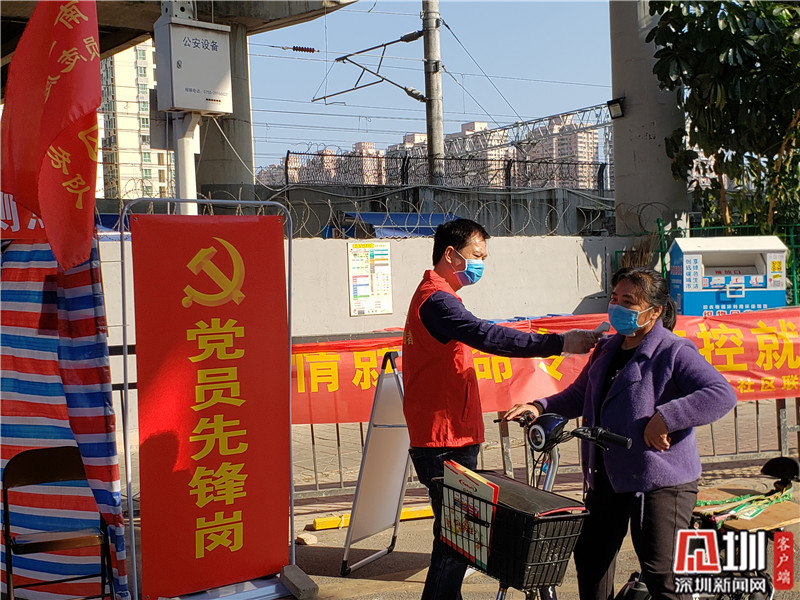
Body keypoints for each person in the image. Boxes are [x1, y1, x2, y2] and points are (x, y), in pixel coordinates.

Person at [503, 267, 738, 600]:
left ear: (654, 311)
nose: (617, 307)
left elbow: (720, 394)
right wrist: (539, 406)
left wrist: (666, 418)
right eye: (615, 298)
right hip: (607, 476)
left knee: (662, 573)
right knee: (592, 561)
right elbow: (580, 394)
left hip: (659, 480)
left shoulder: (673, 351)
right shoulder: (607, 349)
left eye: (629, 302)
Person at [403, 218, 600, 600]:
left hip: (448, 433)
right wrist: (559, 343)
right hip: (444, 439)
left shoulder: (437, 295)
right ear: (451, 254)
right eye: (476, 256)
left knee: (457, 538)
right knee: (456, 540)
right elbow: (488, 335)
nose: (481, 264)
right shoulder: (437, 300)